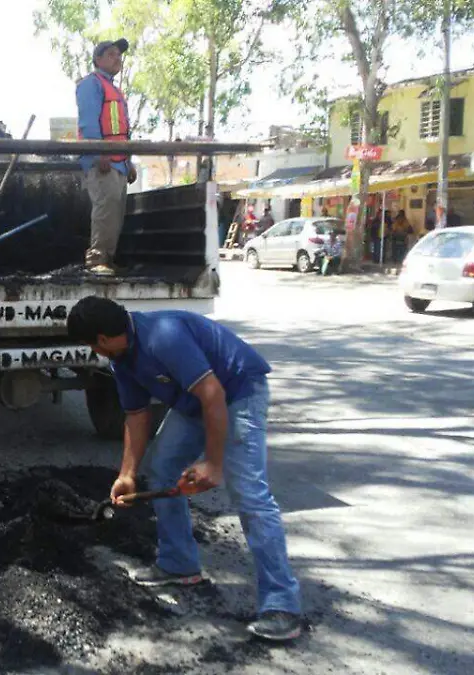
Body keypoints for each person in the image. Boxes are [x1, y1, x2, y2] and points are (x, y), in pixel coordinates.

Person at [67, 296, 304, 642]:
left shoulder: (163, 335)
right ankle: (179, 563)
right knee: (162, 468)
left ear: (102, 339)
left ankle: (283, 605)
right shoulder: (122, 359)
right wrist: (127, 474)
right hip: (195, 401)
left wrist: (213, 461)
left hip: (237, 392)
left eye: (91, 344)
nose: (94, 351)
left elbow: (213, 395)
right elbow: (136, 415)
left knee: (249, 493)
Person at [76, 37, 137, 276]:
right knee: (104, 211)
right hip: (103, 161)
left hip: (118, 162)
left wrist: (128, 161)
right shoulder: (91, 84)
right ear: (98, 59)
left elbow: (123, 130)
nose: (117, 58)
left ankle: (108, 260)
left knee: (116, 212)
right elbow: (89, 122)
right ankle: (96, 260)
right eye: (111, 54)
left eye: (119, 55)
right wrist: (98, 153)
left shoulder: (115, 89)